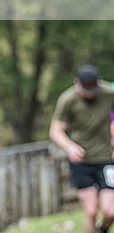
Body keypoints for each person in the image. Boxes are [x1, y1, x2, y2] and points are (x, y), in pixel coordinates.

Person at [49, 64, 114, 233]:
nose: (89, 92)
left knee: (110, 211)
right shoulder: (67, 99)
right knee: (91, 211)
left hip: (106, 158)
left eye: (93, 88)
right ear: (77, 83)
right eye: (86, 88)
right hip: (81, 161)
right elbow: (55, 130)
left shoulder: (109, 94)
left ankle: (103, 230)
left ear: (98, 83)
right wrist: (70, 147)